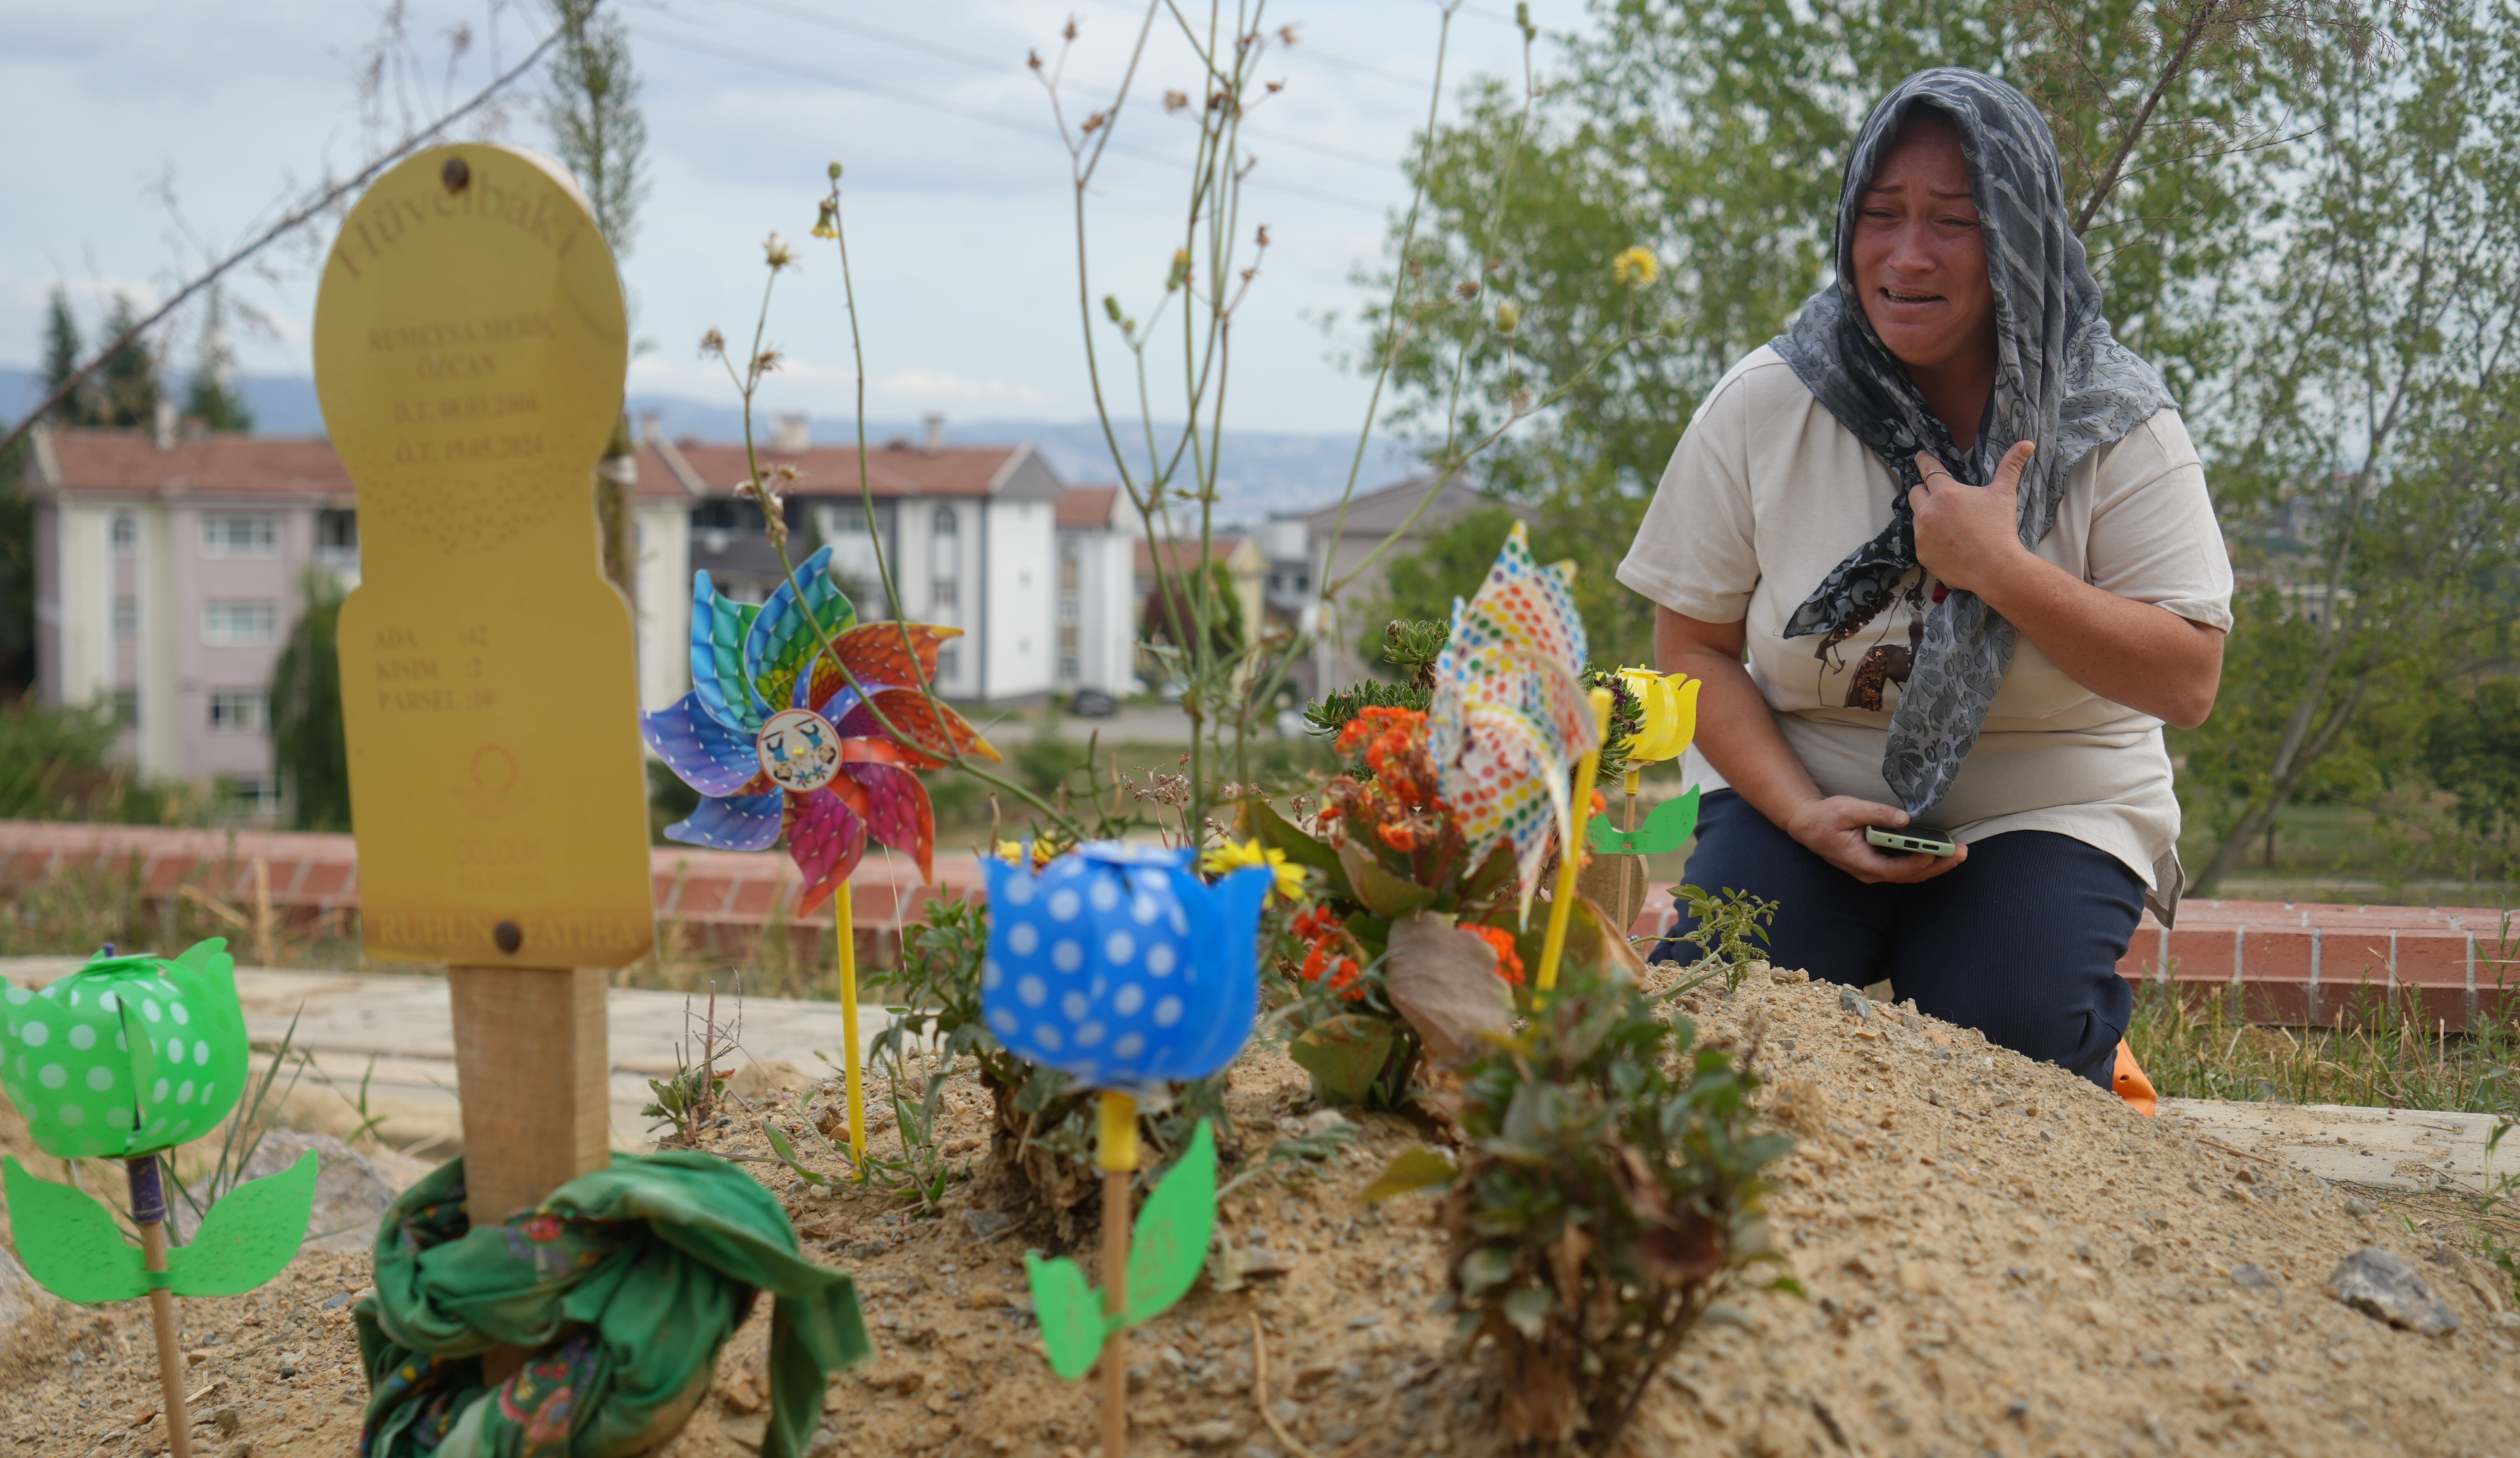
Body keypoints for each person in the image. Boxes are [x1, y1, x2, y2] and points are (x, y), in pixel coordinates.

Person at [1615, 69, 2231, 1101]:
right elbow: (1694, 655)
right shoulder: (1770, 401)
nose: (1906, 256)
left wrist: (2002, 570)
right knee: (1717, 1020)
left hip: (2052, 791)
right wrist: (1804, 816)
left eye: (1954, 222)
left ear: (2018, 242)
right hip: (1800, 785)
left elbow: (2189, 682)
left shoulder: (2115, 419)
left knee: (2011, 1039)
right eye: (1881, 216)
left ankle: (2086, 1041)